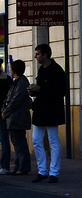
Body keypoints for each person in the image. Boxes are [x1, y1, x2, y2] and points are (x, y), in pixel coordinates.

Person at [29, 43, 67, 184]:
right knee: (36, 140)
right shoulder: (42, 70)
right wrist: (33, 91)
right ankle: (42, 170)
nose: (36, 56)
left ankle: (53, 172)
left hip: (51, 110)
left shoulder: (57, 71)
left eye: (38, 54)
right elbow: (43, 89)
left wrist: (40, 89)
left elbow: (60, 92)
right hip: (40, 109)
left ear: (45, 55)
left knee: (53, 141)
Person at [2, 59, 31, 175]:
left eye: (11, 68)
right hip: (14, 116)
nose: (10, 70)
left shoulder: (21, 82)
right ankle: (18, 165)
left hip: (17, 116)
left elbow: (16, 100)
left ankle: (23, 167)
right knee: (16, 142)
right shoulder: (16, 82)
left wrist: (6, 111)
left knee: (19, 142)